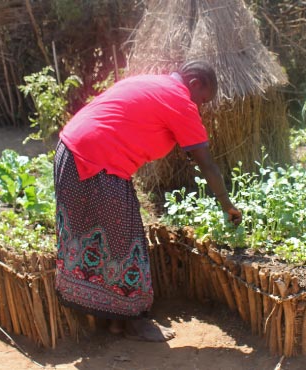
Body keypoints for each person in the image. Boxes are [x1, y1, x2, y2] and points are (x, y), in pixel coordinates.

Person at [53, 60, 242, 341]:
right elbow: (207, 164)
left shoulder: (152, 84)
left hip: (70, 155)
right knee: (128, 244)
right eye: (202, 99)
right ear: (195, 84)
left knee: (105, 241)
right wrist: (227, 204)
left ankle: (115, 321)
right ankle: (135, 321)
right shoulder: (179, 100)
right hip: (95, 164)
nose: (199, 107)